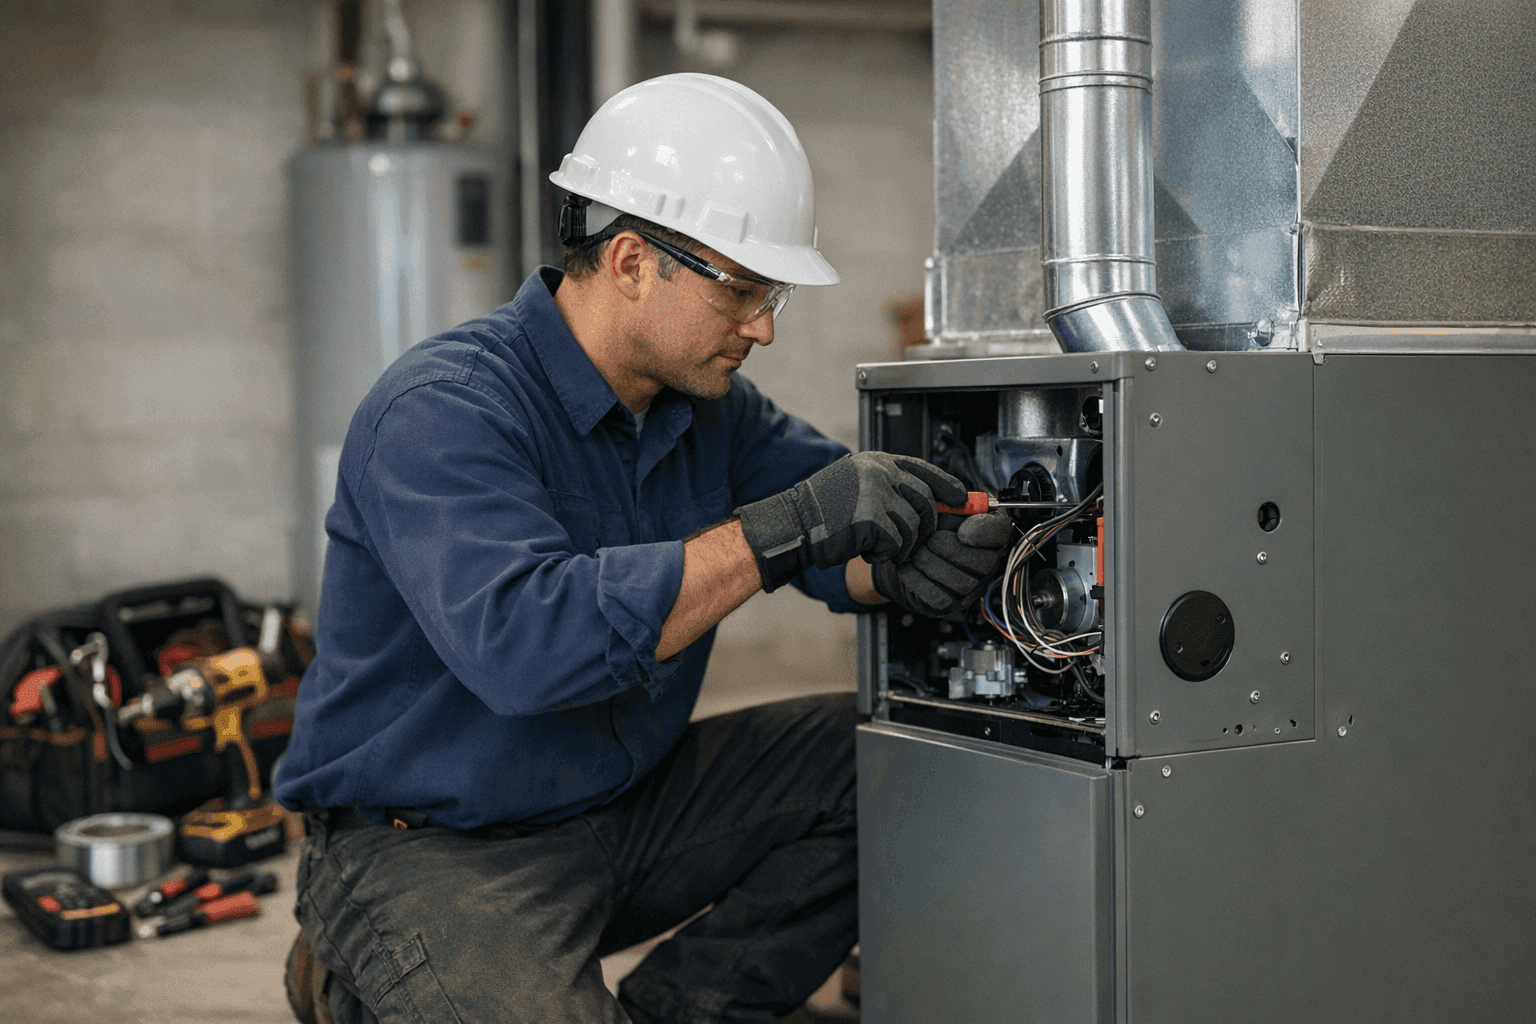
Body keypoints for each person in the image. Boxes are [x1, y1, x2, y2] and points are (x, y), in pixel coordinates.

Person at [275, 73, 1012, 1024]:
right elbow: (527, 648)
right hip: (433, 849)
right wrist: (783, 530)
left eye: (771, 291)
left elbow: (836, 534)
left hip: (623, 808)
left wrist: (910, 558)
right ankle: (352, 966)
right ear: (630, 262)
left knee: (882, 765)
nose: (765, 326)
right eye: (741, 290)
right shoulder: (443, 411)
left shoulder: (711, 409)